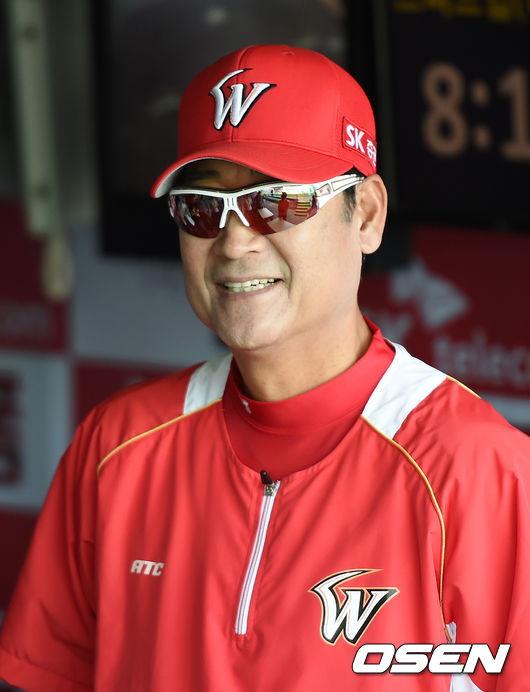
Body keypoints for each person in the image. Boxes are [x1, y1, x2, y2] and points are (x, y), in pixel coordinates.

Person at [0, 44, 529, 692]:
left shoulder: (479, 472)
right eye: (203, 208)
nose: (235, 242)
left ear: (366, 214)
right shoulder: (116, 445)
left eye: (276, 202)